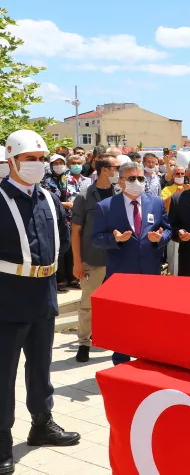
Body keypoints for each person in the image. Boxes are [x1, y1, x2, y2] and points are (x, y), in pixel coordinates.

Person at [0, 130, 80, 474]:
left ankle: (42, 424)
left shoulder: (48, 197)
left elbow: (60, 243)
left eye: (40, 158)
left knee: (41, 367)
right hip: (6, 297)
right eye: (28, 159)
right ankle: (2, 439)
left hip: (43, 295)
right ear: (12, 160)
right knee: (3, 374)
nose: (36, 165)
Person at [91, 161, 172, 365]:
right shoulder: (106, 206)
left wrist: (159, 239)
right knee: (123, 322)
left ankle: (146, 361)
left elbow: (168, 230)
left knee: (148, 321)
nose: (137, 182)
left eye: (140, 178)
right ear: (121, 181)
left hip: (150, 273)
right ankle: (121, 363)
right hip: (121, 275)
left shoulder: (156, 202)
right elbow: (95, 238)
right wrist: (115, 239)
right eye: (132, 178)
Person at [71, 154, 119, 362]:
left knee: (117, 304)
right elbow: (75, 231)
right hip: (93, 258)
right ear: (104, 170)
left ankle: (115, 340)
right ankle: (84, 343)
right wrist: (77, 262)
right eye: (116, 167)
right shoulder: (84, 196)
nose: (119, 171)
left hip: (118, 257)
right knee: (88, 303)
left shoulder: (122, 194)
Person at [41, 154, 80, 292]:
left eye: (61, 162)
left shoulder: (71, 180)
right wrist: (64, 204)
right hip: (55, 218)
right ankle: (60, 279)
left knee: (71, 248)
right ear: (51, 165)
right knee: (60, 249)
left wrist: (73, 204)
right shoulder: (45, 181)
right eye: (55, 163)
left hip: (71, 218)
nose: (58, 165)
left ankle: (73, 277)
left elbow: (77, 195)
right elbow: (46, 199)